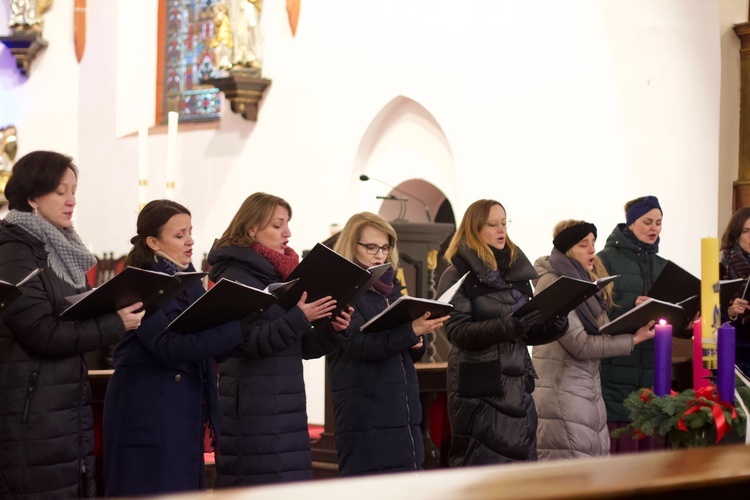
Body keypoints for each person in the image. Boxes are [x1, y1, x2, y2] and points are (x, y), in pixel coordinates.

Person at [0, 150, 143, 498]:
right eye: (61, 191)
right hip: (31, 411)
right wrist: (115, 324)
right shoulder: (14, 251)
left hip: (62, 399)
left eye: (74, 191)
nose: (72, 201)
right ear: (33, 196)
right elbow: (42, 333)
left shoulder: (62, 248)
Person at [207, 192, 351, 486]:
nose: (287, 233)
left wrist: (331, 330)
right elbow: (248, 343)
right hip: (252, 406)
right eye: (277, 225)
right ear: (251, 229)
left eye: (287, 224)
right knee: (256, 484)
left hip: (287, 404)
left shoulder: (284, 275)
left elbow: (301, 346)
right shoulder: (235, 276)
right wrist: (300, 317)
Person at [103, 200, 246, 496]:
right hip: (149, 410)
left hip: (185, 406)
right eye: (179, 235)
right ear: (153, 242)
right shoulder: (139, 282)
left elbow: (207, 342)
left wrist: (246, 318)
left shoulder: (189, 279)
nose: (191, 241)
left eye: (190, 232)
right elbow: (167, 347)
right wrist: (235, 329)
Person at [435, 199, 568, 466]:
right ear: (474, 229)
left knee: (519, 470)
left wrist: (556, 320)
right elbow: (457, 331)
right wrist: (510, 325)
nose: (501, 230)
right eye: (492, 224)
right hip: (479, 388)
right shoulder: (457, 274)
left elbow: (526, 332)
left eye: (504, 223)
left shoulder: (514, 272)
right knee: (483, 468)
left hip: (517, 384)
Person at [328, 212, 448, 476]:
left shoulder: (390, 287)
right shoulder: (342, 289)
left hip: (399, 405)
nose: (379, 254)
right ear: (352, 245)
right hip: (365, 407)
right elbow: (358, 345)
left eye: (385, 247)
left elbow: (401, 347)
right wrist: (410, 331)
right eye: (371, 247)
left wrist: (417, 342)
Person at [531, 220, 655, 460]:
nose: (592, 250)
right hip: (562, 393)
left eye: (593, 243)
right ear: (568, 250)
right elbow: (581, 344)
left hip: (583, 389)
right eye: (583, 244)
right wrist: (634, 340)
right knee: (570, 473)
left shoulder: (584, 282)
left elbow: (600, 331)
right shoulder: (555, 284)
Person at [597, 195, 666, 453]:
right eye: (647, 222)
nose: (654, 228)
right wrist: (631, 308)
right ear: (630, 224)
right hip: (616, 371)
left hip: (652, 370)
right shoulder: (605, 261)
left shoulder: (663, 266)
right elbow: (597, 316)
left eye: (658, 223)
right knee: (621, 459)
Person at [719, 207, 750, 376]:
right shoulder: (720, 268)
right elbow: (708, 316)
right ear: (736, 234)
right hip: (735, 352)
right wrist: (731, 312)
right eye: (746, 231)